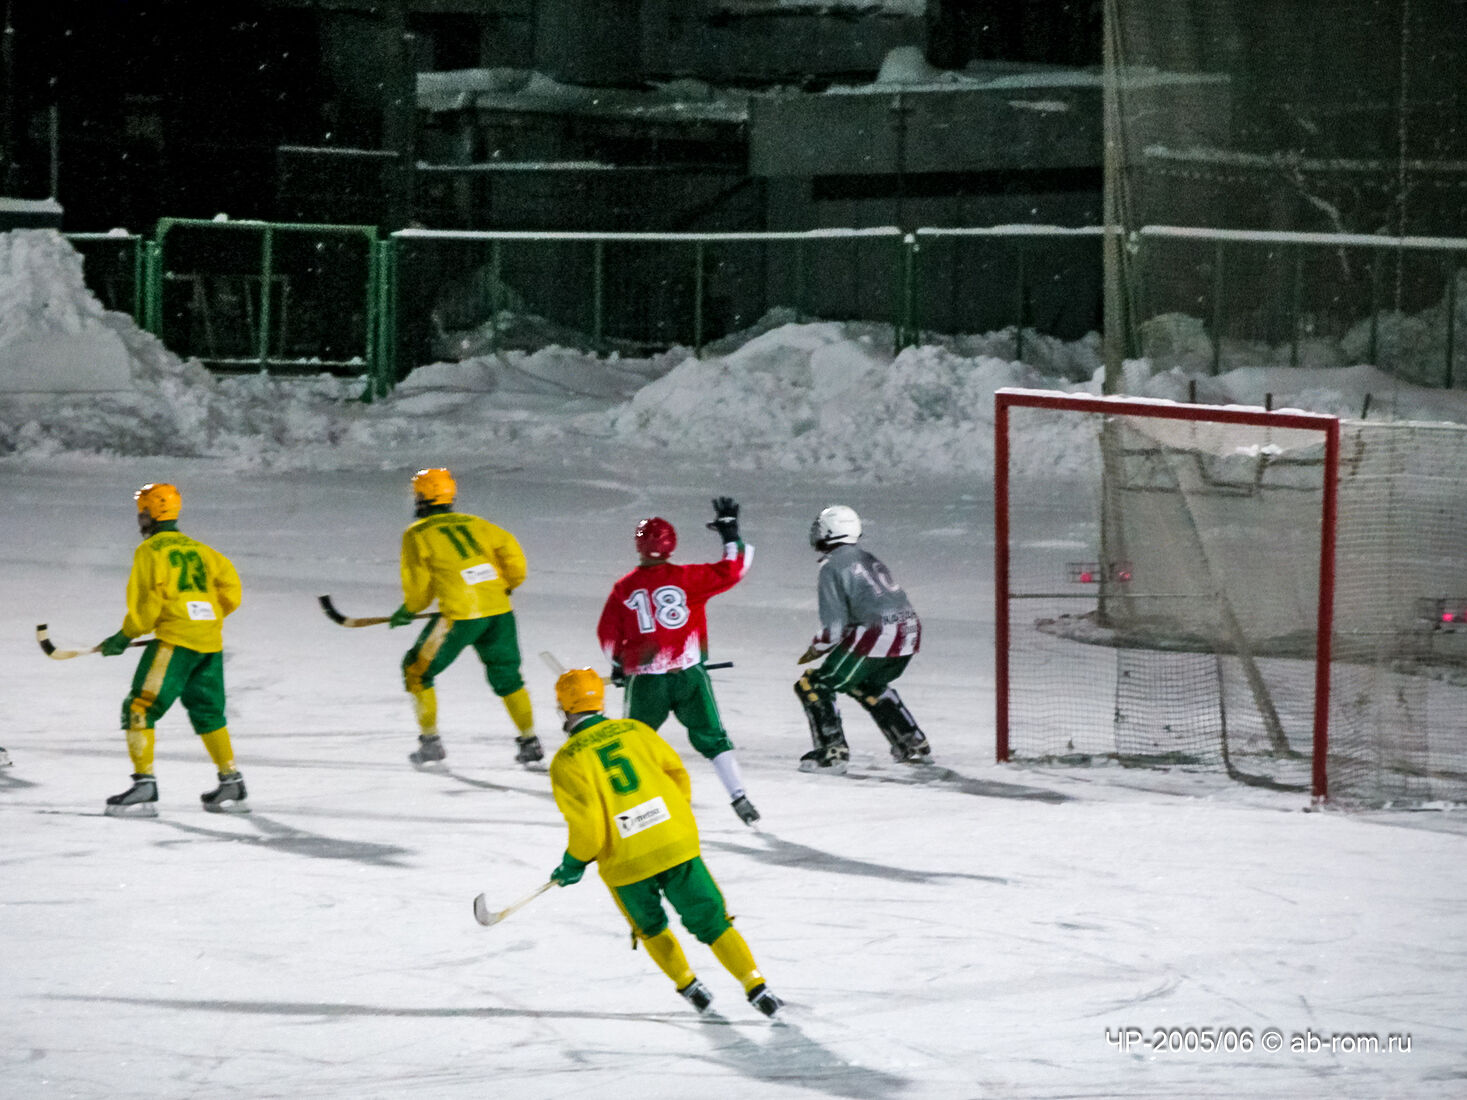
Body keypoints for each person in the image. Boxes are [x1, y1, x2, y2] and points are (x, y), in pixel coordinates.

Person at [547, 667, 783, 1018]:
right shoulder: (636, 730)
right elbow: (677, 774)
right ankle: (756, 985)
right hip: (675, 844)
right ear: (600, 702)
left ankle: (689, 985)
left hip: (627, 863)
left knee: (651, 926)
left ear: (564, 708)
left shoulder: (566, 761)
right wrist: (671, 819)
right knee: (713, 920)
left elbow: (589, 829)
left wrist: (573, 863)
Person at [596, 498, 759, 825]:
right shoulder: (688, 578)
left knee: (636, 741)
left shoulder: (624, 588)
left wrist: (619, 665)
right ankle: (738, 795)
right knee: (713, 737)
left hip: (647, 680)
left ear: (639, 546)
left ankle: (630, 804)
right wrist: (730, 535)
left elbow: (608, 635)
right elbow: (734, 569)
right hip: (689, 674)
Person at [99, 483, 248, 817]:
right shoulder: (203, 550)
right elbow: (232, 591)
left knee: (140, 707)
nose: (140, 519)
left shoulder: (150, 551)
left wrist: (123, 636)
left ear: (151, 514)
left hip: (175, 643)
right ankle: (231, 781)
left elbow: (146, 605)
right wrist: (205, 615)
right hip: (209, 641)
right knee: (208, 712)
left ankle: (144, 785)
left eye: (142, 512)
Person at [391, 467, 542, 768]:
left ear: (421, 497)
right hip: (499, 612)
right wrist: (506, 585)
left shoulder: (417, 534)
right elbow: (515, 559)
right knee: (508, 677)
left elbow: (419, 585)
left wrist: (409, 610)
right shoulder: (478, 524)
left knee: (416, 670)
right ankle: (529, 741)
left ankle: (430, 743)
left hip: (459, 616)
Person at [795, 504, 932, 773]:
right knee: (867, 683)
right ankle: (912, 743)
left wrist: (818, 646)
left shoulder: (832, 566)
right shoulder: (866, 557)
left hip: (876, 634)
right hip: (908, 633)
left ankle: (832, 753)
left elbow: (835, 626)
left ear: (829, 531)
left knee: (813, 684)